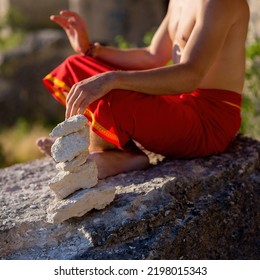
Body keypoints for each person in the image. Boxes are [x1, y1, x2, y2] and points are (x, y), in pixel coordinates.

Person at [37, 0, 249, 179]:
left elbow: (191, 75)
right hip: (178, 102)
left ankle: (110, 155)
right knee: (76, 65)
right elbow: (152, 56)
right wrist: (91, 49)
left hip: (207, 122)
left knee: (109, 91)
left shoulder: (220, 2)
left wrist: (114, 79)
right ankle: (116, 153)